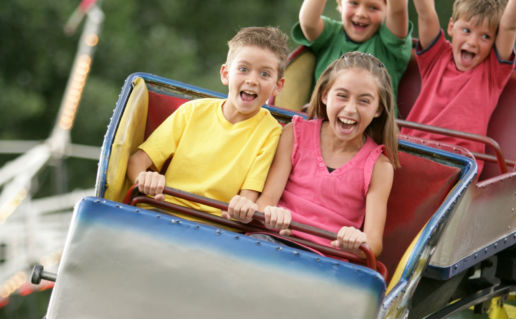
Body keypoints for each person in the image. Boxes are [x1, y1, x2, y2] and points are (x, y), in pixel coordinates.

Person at [227, 52, 399, 258]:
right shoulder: (294, 133)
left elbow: (373, 243)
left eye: (364, 101)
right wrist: (271, 214)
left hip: (327, 257)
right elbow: (266, 202)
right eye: (342, 96)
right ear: (325, 95)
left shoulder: (379, 166)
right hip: (274, 240)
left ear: (378, 109)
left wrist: (356, 240)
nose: (350, 109)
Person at [127, 26, 288, 217]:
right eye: (243, 69)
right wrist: (145, 178)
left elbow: (247, 197)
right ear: (226, 74)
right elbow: (136, 161)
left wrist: (241, 210)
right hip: (162, 209)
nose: (252, 80)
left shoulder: (270, 132)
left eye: (265, 74)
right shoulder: (193, 111)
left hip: (214, 226)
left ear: (278, 86)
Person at [400, 0, 516, 174]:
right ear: (452, 27)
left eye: (485, 36)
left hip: (458, 164)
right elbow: (426, 13)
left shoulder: (492, 72)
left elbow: (510, 26)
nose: (473, 42)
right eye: (466, 30)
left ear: (494, 41)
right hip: (412, 151)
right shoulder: (436, 56)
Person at [291, 0, 412, 109]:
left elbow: (398, 10)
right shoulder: (330, 34)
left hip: (373, 131)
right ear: (340, 5)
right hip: (322, 126)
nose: (361, 13)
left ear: (387, 11)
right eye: (354, 3)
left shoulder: (390, 44)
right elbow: (308, 23)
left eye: (373, 8)